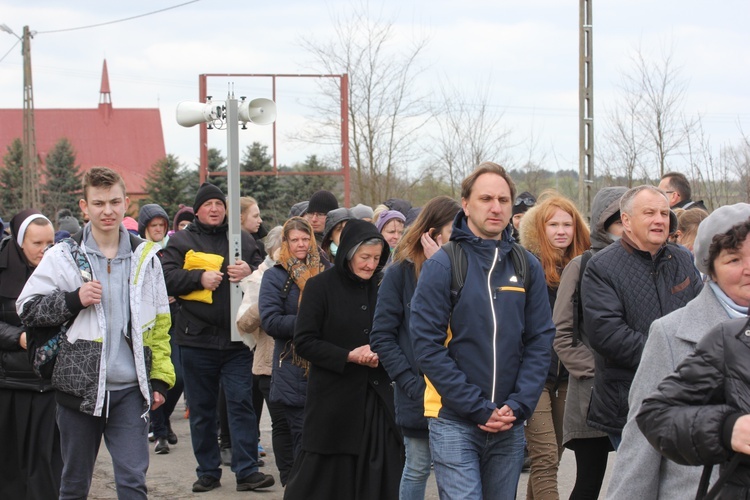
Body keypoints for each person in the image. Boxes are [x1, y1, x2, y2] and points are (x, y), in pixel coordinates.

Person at [17, 167, 175, 499]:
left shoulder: (146, 258)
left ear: (126, 203)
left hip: (131, 391)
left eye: (114, 202)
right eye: (99, 203)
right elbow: (27, 308)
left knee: (133, 482)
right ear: (84, 207)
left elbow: (160, 324)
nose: (108, 210)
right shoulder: (62, 257)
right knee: (74, 484)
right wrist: (73, 300)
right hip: (80, 390)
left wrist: (159, 378)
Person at [410, 162, 556, 499]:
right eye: (486, 198)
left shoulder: (526, 265)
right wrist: (477, 407)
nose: (496, 207)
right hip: (454, 421)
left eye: (504, 200)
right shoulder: (443, 265)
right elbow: (427, 346)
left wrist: (518, 406)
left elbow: (539, 340)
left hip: (509, 421)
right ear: (465, 204)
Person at [606, 204, 750, 499]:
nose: (748, 269)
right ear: (711, 268)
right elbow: (640, 442)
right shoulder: (672, 333)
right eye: (734, 259)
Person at [161, 182, 272, 493]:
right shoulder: (181, 241)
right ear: (197, 210)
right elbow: (165, 277)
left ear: (226, 209)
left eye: (219, 204)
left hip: (238, 341)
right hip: (196, 341)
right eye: (208, 204)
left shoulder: (243, 239)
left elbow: (265, 272)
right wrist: (198, 277)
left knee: (241, 405)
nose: (214, 209)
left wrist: (248, 270)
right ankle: (208, 471)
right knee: (202, 410)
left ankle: (247, 470)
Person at [284, 219, 403, 500]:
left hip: (377, 400)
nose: (370, 265)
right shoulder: (319, 287)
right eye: (364, 257)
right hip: (333, 403)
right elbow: (304, 342)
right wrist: (348, 356)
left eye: (376, 258)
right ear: (348, 252)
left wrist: (382, 352)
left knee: (380, 475)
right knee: (324, 481)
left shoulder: (385, 286)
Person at [581, 185, 702, 450]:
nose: (659, 219)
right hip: (628, 400)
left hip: (685, 395)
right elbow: (608, 336)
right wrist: (670, 356)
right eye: (649, 213)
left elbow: (702, 314)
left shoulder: (682, 258)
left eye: (663, 212)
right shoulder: (601, 267)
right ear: (626, 220)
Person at [370, 195, 462, 500]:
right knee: (418, 466)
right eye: (454, 229)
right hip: (419, 391)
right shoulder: (399, 274)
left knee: (458, 469)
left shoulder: (465, 269)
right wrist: (410, 384)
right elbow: (382, 336)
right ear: (432, 233)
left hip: (462, 389)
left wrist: (444, 269)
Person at [552, 186, 626, 500]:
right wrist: (597, 370)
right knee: (588, 484)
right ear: (603, 223)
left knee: (636, 482)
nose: (627, 225)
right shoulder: (581, 266)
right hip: (591, 396)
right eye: (619, 219)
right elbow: (562, 334)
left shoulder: (648, 263)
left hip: (635, 391)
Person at [518, 192, 590, 500]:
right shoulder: (525, 266)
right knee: (545, 457)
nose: (561, 231)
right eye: (553, 224)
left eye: (567, 224)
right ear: (539, 229)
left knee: (552, 459)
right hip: (532, 376)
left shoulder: (586, 266)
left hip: (567, 376)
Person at [0, 210, 61, 499]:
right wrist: (18, 338)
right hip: (9, 381)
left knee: (47, 465)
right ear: (20, 241)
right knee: (11, 465)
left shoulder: (61, 267)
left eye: (50, 242)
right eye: (37, 243)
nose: (44, 250)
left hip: (49, 384)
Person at [259, 217, 329, 462]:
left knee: (323, 440)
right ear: (286, 242)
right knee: (301, 439)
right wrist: (309, 322)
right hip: (292, 366)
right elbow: (270, 322)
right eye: (295, 240)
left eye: (305, 238)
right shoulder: (275, 276)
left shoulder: (327, 271)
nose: (301, 244)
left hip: (326, 364)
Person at [237, 226, 296, 485]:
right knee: (283, 424)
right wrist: (266, 303)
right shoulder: (259, 279)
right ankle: (289, 479)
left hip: (304, 364)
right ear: (272, 250)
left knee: (302, 425)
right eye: (284, 245)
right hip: (270, 365)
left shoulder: (309, 274)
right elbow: (243, 324)